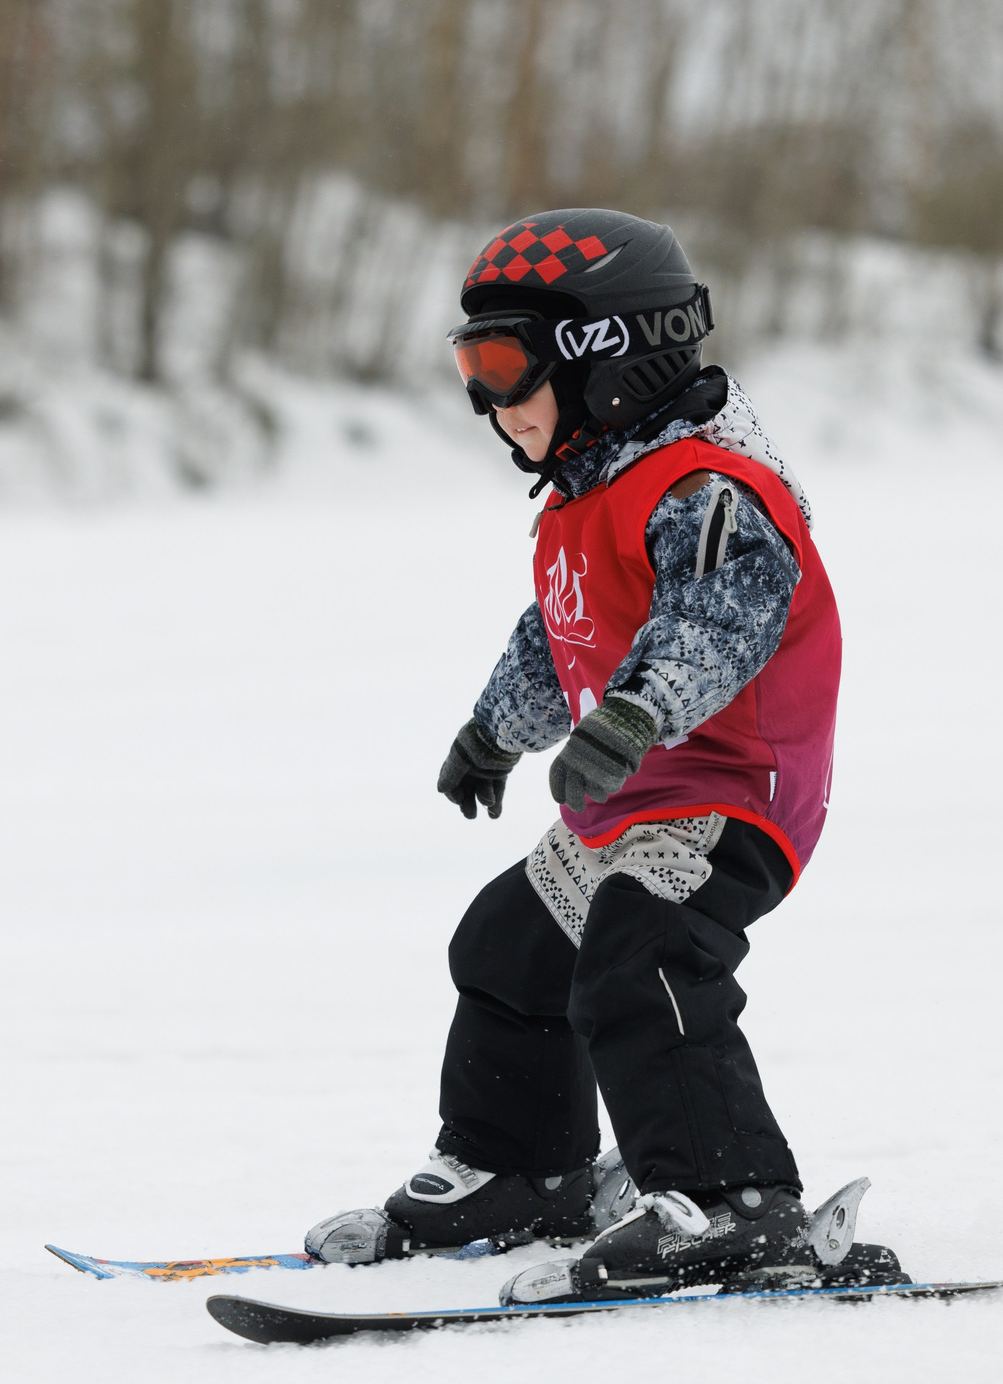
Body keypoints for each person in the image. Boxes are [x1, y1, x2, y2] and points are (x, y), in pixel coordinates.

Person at [304, 209, 904, 1303]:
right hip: (628, 801)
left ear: (604, 360)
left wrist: (626, 721)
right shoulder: (587, 495)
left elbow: (717, 622)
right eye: (467, 364)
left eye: (500, 364)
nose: (484, 399)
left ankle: (733, 1204)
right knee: (505, 948)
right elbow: (556, 633)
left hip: (730, 796)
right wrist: (495, 733)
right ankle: (518, 1171)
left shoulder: (705, 487)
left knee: (644, 964)